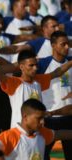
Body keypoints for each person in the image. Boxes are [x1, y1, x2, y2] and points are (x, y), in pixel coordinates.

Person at [0, 49, 72, 128]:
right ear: (21, 67)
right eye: (31, 65)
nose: (35, 68)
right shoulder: (14, 82)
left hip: (38, 130)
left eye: (36, 65)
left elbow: (57, 72)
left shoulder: (38, 80)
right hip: (19, 131)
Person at [36, 31, 72, 160]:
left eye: (68, 44)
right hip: (49, 117)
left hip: (69, 117)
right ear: (53, 45)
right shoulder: (42, 64)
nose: (67, 47)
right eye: (63, 44)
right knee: (43, 155)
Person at [0, 99, 72, 159]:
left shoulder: (42, 133)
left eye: (43, 118)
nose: (42, 122)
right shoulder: (7, 137)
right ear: (25, 117)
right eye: (39, 118)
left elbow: (59, 134)